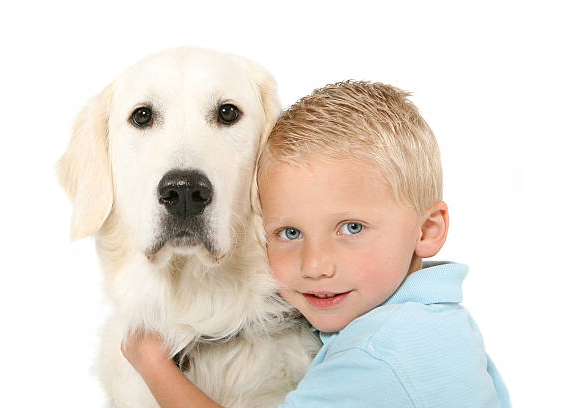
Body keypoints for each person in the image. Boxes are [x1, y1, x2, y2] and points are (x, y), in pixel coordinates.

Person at [121, 81, 511, 407]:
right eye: (290, 233)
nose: (315, 265)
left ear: (426, 231)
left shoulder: (374, 356)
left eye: (352, 228)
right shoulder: (437, 320)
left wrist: (152, 364)